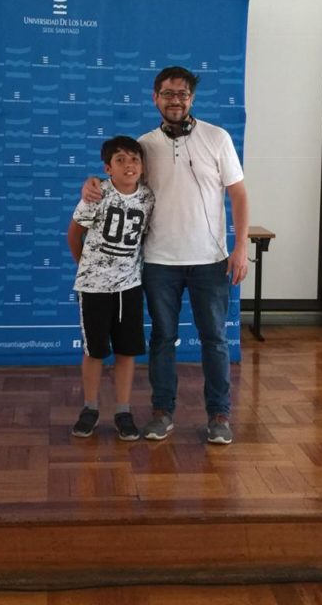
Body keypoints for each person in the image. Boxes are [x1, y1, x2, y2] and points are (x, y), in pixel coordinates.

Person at [82, 67, 249, 445]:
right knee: (162, 339)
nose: (176, 100)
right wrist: (91, 183)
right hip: (159, 262)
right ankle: (162, 413)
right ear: (155, 98)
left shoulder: (217, 138)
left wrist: (240, 248)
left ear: (192, 99)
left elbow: (238, 194)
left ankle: (219, 415)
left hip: (210, 260)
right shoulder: (145, 145)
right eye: (168, 93)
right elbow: (121, 181)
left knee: (215, 340)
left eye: (182, 94)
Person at [68, 135, 155, 441]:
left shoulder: (148, 198)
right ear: (108, 168)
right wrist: (88, 267)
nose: (129, 165)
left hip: (129, 286)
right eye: (120, 160)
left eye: (134, 159)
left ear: (142, 166)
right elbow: (74, 234)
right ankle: (90, 408)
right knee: (94, 350)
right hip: (94, 288)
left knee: (127, 350)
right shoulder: (97, 194)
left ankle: (123, 411)